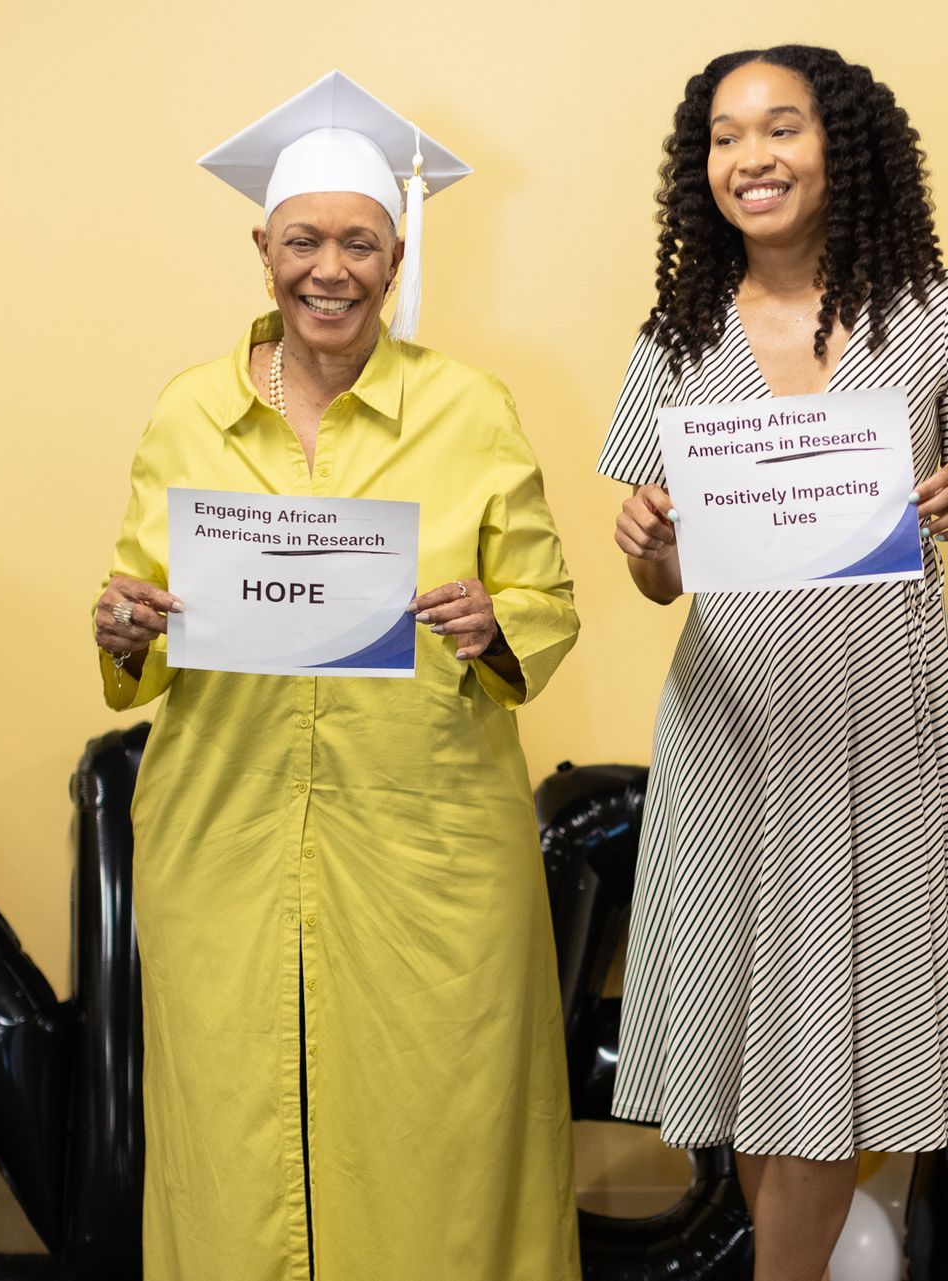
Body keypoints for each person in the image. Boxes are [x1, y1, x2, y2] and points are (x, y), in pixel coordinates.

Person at [92, 71, 582, 1281]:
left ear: (397, 254)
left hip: (429, 841)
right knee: (233, 1121)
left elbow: (547, 602)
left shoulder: (471, 412)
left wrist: (492, 620)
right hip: (226, 828)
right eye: (303, 239)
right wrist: (121, 622)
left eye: (359, 243)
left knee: (440, 1127)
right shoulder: (187, 415)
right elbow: (139, 617)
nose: (331, 268)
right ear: (261, 249)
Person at [597, 45, 948, 1281]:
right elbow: (657, 574)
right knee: (753, 1041)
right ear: (703, 170)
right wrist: (649, 542)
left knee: (846, 1041)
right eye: (726, 138)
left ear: (842, 146)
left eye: (780, 128)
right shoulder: (675, 335)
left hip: (881, 723)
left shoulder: (941, 314)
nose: (752, 158)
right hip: (731, 727)